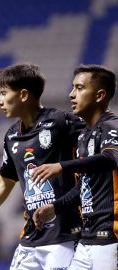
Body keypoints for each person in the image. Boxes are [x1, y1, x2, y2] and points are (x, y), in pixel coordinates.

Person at [0, 63, 84, 269]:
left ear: (23, 95)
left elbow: (100, 153)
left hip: (65, 236)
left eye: (4, 93)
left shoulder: (61, 122)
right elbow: (5, 180)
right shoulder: (12, 136)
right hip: (31, 239)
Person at [31, 64, 118, 269]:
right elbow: (85, 186)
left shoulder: (111, 126)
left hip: (111, 236)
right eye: (72, 88)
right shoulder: (84, 136)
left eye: (79, 88)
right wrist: (55, 207)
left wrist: (62, 166)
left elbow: (111, 158)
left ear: (100, 95)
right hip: (88, 237)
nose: (71, 94)